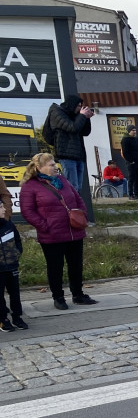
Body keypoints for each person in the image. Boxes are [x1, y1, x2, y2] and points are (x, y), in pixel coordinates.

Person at [18, 153, 97, 309]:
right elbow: (28, 211)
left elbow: (78, 198)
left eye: (55, 164)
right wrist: (45, 226)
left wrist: (83, 214)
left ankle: (78, 295)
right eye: (51, 165)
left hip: (74, 231)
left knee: (76, 265)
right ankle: (58, 297)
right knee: (55, 267)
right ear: (39, 168)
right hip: (52, 235)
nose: (56, 167)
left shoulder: (62, 180)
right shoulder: (30, 186)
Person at [45, 94, 94, 194]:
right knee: (72, 186)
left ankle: (76, 209)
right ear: (72, 105)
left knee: (78, 187)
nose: (80, 108)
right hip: (66, 154)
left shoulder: (74, 115)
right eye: (78, 106)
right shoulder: (57, 112)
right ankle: (70, 209)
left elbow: (85, 132)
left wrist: (87, 118)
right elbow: (72, 127)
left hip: (78, 155)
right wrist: (82, 115)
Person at [0, 199, 27, 331]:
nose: (4, 209)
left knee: (15, 294)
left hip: (11, 266)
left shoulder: (9, 225)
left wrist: (16, 255)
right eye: (1, 207)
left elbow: (17, 241)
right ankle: (3, 319)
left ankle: (17, 317)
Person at [120, 125, 138, 199]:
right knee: (131, 178)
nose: (134, 132)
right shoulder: (125, 139)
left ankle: (136, 193)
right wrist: (130, 160)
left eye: (135, 130)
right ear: (129, 131)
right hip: (131, 162)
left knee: (137, 178)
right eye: (133, 130)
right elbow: (125, 152)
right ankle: (130, 194)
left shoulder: (135, 139)